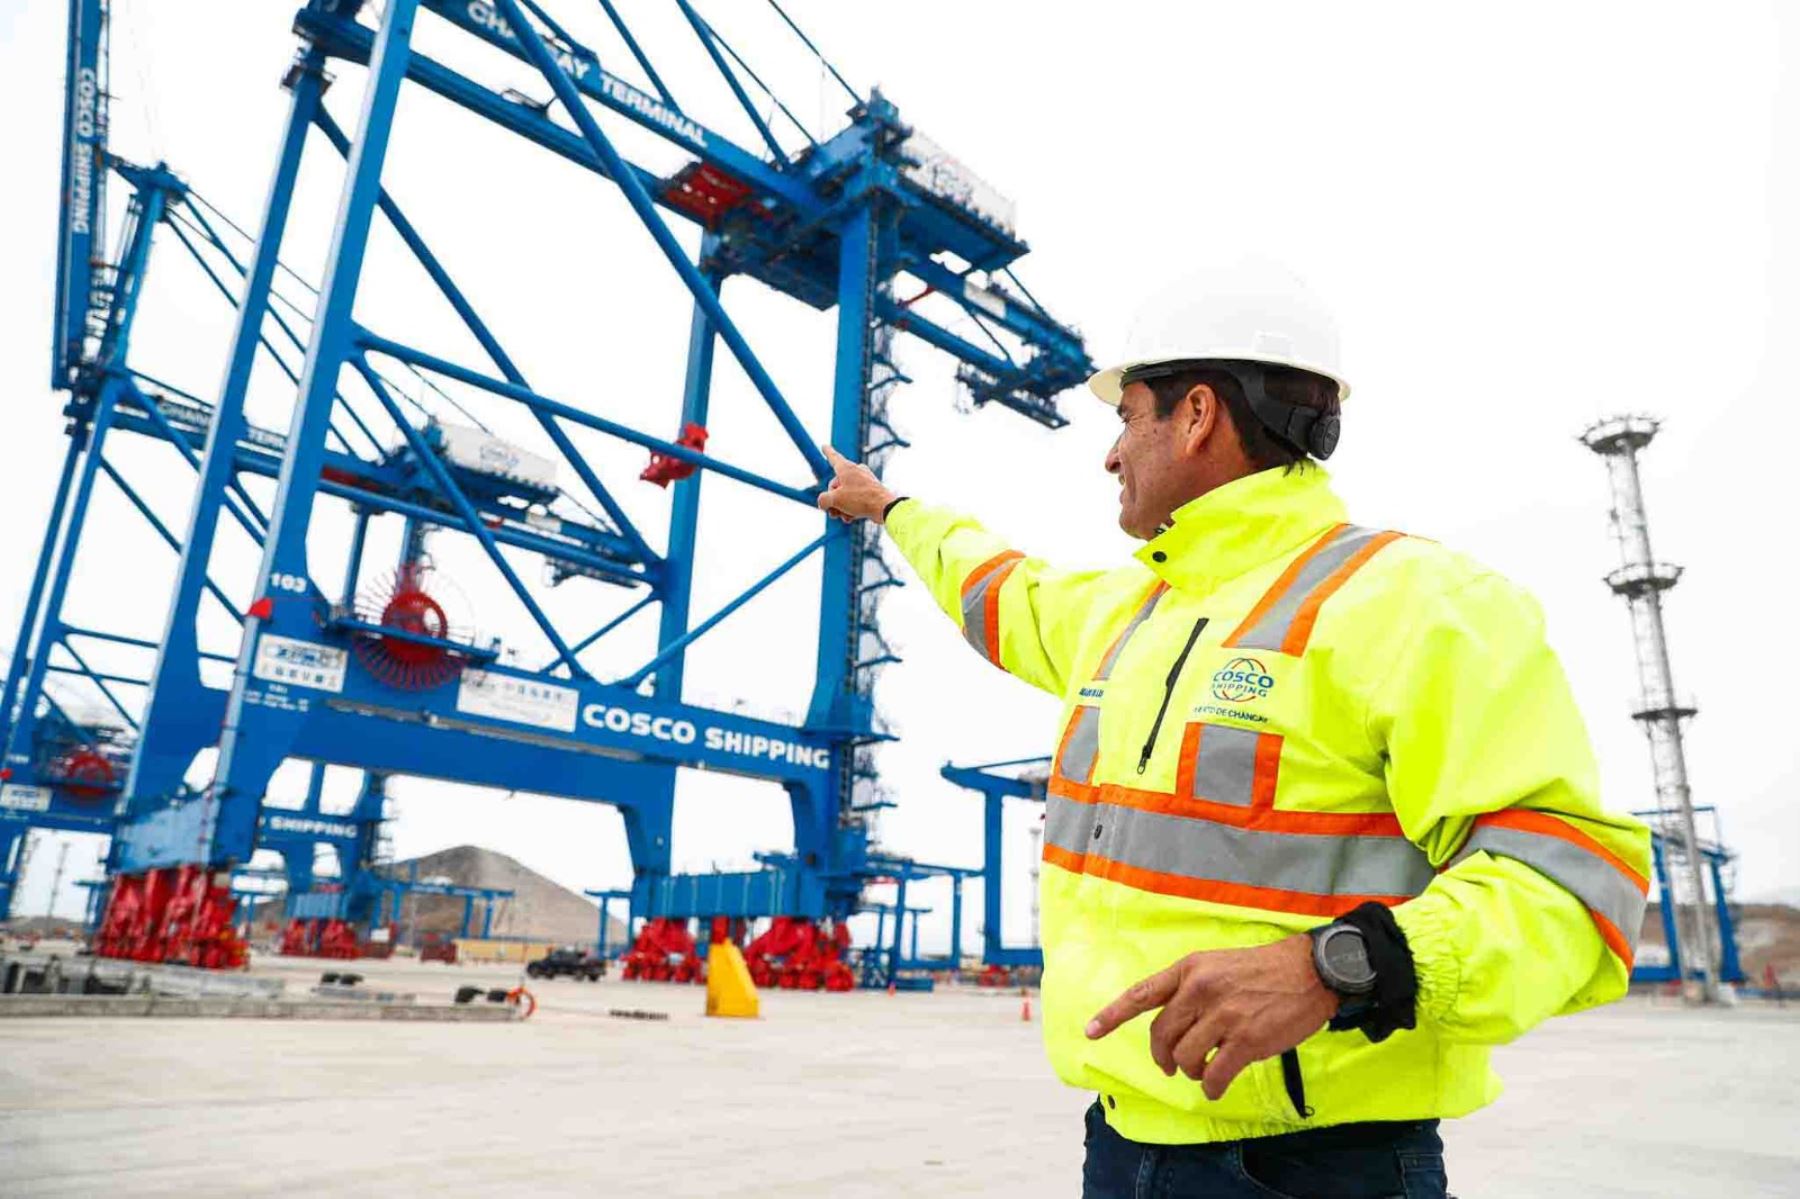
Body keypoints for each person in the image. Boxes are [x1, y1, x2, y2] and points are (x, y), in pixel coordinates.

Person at [816, 264, 1651, 1198]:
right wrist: (891, 508)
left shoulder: (1418, 604)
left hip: (1317, 1165)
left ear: (1199, 413)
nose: (1111, 453)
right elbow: (990, 581)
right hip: (1121, 1142)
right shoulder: (1122, 613)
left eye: (1126, 416)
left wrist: (1340, 966)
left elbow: (1575, 890)